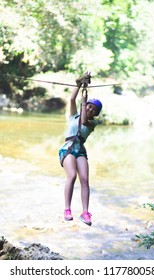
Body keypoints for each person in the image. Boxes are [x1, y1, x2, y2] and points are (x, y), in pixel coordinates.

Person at [59, 72, 102, 226]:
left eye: (93, 110)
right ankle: (67, 209)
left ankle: (85, 212)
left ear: (96, 114)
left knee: (85, 179)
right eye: (89, 106)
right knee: (71, 176)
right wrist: (79, 85)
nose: (90, 110)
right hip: (68, 149)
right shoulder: (73, 116)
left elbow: (84, 120)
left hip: (80, 150)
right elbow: (71, 99)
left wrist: (84, 101)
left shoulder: (93, 124)